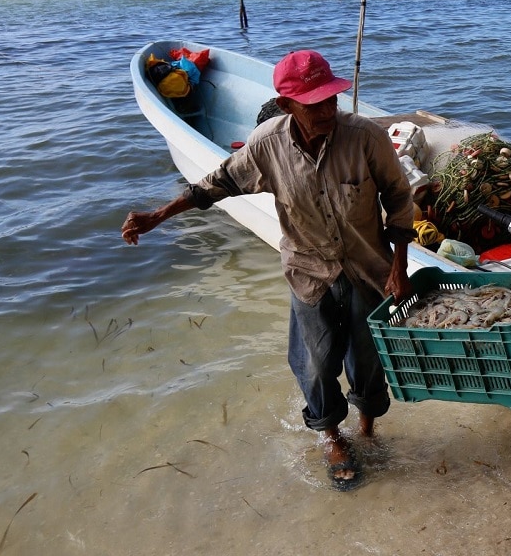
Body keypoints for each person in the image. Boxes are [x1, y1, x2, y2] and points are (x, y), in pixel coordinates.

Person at [121, 50, 416, 491]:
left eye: (331, 99)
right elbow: (215, 185)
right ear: (286, 106)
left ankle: (368, 430)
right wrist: (159, 215)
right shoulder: (266, 145)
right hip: (308, 272)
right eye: (314, 103)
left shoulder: (365, 138)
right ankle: (333, 438)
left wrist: (400, 266)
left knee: (368, 359)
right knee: (315, 365)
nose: (327, 110)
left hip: (367, 269)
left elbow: (398, 199)